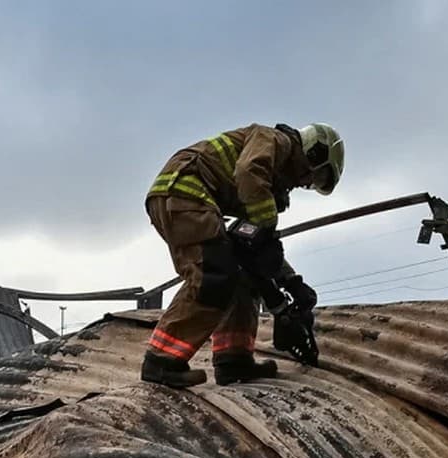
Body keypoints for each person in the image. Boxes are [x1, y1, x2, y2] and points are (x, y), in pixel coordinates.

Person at [141, 123, 344, 388]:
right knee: (213, 275)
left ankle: (234, 360)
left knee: (242, 274)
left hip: (196, 199)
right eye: (315, 178)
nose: (306, 183)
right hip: (184, 192)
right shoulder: (274, 140)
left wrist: (291, 280)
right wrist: (268, 228)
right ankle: (160, 361)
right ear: (314, 153)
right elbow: (249, 172)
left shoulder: (259, 187)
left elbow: (253, 243)